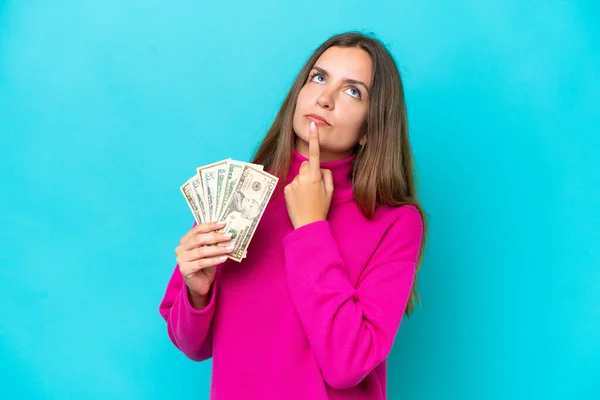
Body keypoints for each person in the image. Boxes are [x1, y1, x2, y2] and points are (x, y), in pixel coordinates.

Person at [159, 31, 428, 400]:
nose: (325, 98)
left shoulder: (396, 223)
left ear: (371, 127)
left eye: (353, 91)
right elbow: (192, 346)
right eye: (319, 77)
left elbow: (347, 364)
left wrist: (311, 229)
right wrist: (197, 292)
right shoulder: (236, 191)